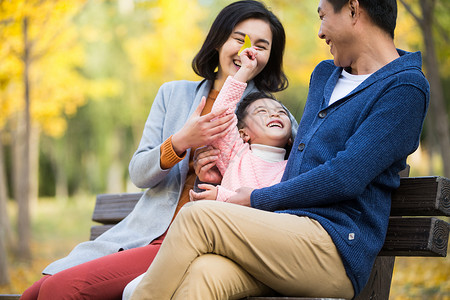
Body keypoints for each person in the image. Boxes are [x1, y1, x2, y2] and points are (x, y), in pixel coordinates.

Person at [128, 0, 430, 299]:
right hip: (280, 233)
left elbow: (344, 176)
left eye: (322, 16)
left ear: (353, 10)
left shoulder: (404, 88)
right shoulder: (326, 74)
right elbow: (287, 159)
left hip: (334, 246)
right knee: (203, 274)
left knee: (197, 217)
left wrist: (257, 199)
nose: (320, 32)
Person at [20, 1, 296, 299]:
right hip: (143, 234)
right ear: (218, 41)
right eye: (238, 39)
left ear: (270, 56)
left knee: (59, 290)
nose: (248, 51)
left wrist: (220, 178)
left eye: (261, 45)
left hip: (191, 243)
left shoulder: (275, 117)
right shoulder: (172, 95)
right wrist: (180, 143)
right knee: (34, 292)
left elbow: (278, 186)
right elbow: (139, 172)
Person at [190, 47, 293, 203]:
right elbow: (222, 113)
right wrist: (245, 69)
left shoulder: (293, 168)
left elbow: (277, 204)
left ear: (291, 138)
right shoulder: (236, 155)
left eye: (281, 112)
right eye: (262, 112)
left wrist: (222, 196)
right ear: (244, 134)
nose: (274, 114)